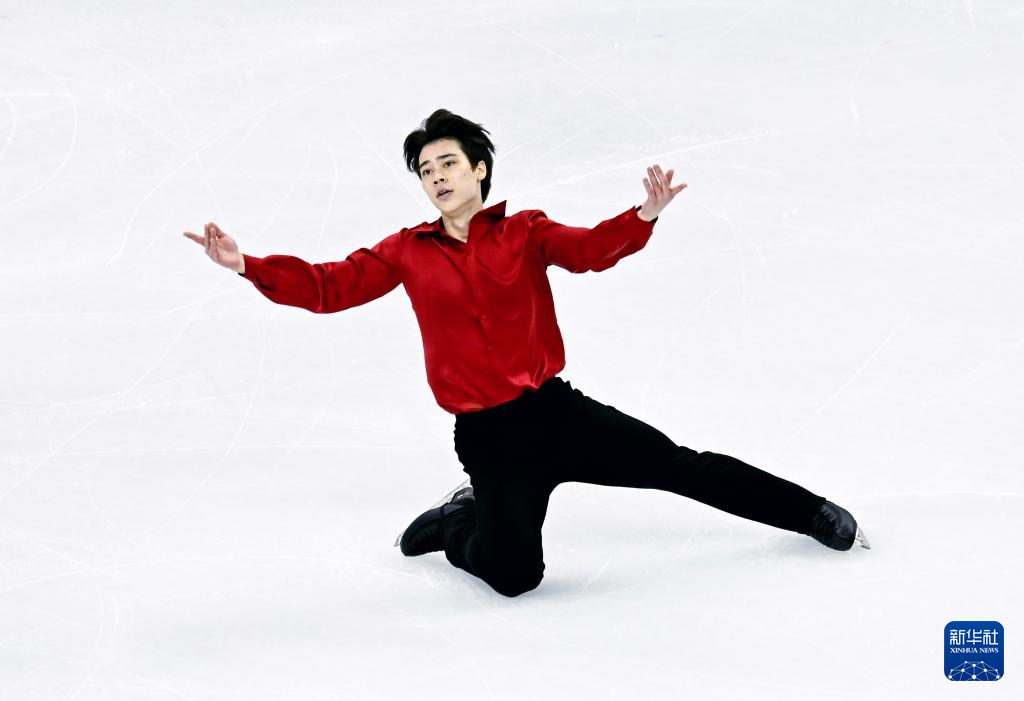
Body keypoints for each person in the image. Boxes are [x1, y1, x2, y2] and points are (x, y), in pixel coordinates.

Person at [183, 108, 868, 599]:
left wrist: (643, 217)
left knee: (680, 467)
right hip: (489, 438)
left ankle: (811, 513)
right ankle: (461, 521)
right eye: (426, 170)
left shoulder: (525, 231)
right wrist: (248, 265)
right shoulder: (406, 251)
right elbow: (331, 286)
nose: (437, 177)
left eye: (449, 163)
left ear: (479, 168)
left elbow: (589, 249)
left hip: (556, 414)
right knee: (515, 579)